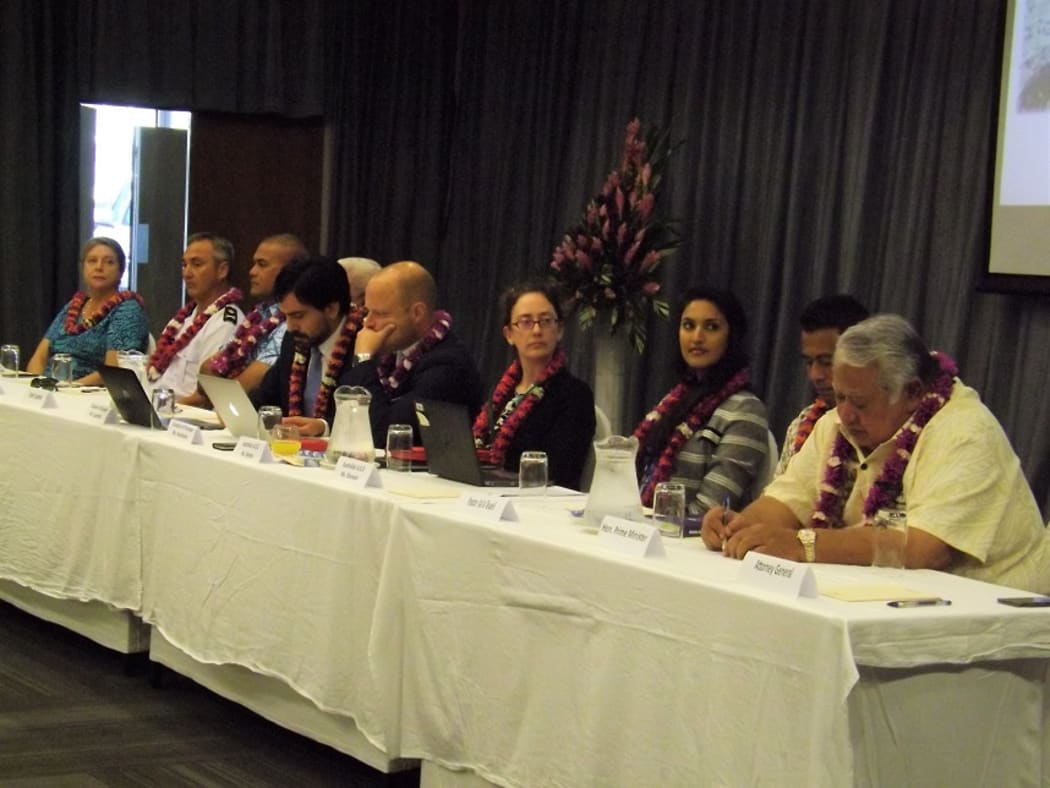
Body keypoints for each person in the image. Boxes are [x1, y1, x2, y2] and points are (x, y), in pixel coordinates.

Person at [702, 314, 1050, 593]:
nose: (845, 415)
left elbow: (923, 548)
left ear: (913, 392)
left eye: (860, 402)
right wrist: (741, 527)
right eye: (840, 397)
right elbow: (787, 501)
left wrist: (803, 544)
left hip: (991, 618)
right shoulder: (836, 424)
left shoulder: (965, 432)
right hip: (887, 602)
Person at [634, 286, 770, 515]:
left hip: (686, 541)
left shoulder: (746, 410)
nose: (697, 337)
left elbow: (710, 510)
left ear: (732, 335)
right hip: (641, 530)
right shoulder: (674, 399)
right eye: (689, 325)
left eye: (711, 327)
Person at [344, 260, 483, 446]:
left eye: (381, 314)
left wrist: (363, 360)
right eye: (368, 312)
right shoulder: (393, 352)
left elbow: (384, 434)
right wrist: (324, 425)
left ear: (417, 313)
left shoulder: (447, 365)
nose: (368, 323)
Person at [472, 283, 596, 489]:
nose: (537, 330)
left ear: (560, 330)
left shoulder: (574, 395)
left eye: (546, 321)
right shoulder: (501, 394)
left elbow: (561, 472)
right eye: (526, 322)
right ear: (509, 334)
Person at [251, 256, 361, 436]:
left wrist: (324, 428)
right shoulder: (293, 341)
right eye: (286, 316)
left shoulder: (362, 349)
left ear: (331, 309)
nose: (290, 326)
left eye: (298, 316)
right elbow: (265, 397)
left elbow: (367, 420)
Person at [26, 237, 148, 385]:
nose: (99, 267)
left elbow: (113, 371)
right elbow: (39, 358)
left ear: (121, 271)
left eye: (109, 262)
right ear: (83, 268)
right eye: (92, 261)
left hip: (85, 394)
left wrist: (67, 389)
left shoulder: (127, 309)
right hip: (50, 389)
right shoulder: (74, 306)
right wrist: (35, 385)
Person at [199, 234, 309, 398]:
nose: (252, 272)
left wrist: (223, 384)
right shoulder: (259, 315)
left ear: (290, 270)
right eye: (254, 264)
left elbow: (242, 391)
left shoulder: (291, 322)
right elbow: (206, 374)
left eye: (262, 265)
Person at [775, 294, 870, 476]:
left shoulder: (884, 424)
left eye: (827, 362)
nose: (815, 375)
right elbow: (778, 496)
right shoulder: (802, 423)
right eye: (809, 362)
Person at [148, 233, 244, 400]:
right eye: (184, 265)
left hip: (186, 416)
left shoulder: (226, 321)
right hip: (159, 403)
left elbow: (206, 395)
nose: (187, 273)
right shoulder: (182, 319)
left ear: (222, 270)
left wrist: (161, 411)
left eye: (197, 264)